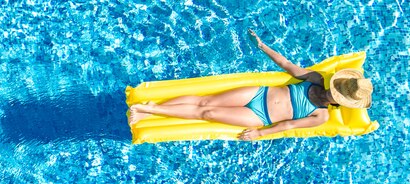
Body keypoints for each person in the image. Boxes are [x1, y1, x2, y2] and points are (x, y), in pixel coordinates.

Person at [128, 29, 374, 141]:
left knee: (207, 113)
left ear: (339, 101)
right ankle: (145, 108)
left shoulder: (320, 116)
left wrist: (260, 133)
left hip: (259, 115)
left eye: (337, 93)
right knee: (205, 101)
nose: (332, 89)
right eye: (337, 87)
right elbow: (287, 65)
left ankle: (147, 109)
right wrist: (262, 46)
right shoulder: (317, 78)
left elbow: (288, 125)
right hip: (259, 93)